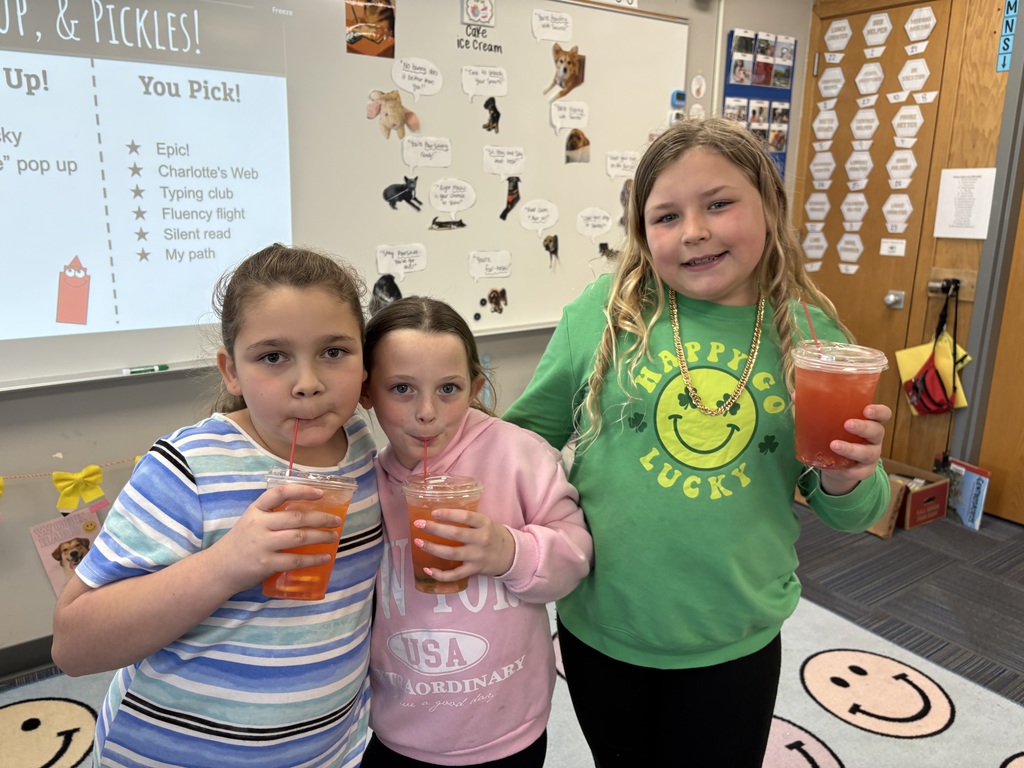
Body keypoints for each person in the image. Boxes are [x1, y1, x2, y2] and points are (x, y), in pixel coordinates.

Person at [502, 117, 892, 766]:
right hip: (604, 629)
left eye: (719, 204)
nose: (694, 231)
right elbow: (520, 445)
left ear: (768, 205)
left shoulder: (811, 333)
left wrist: (849, 476)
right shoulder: (605, 314)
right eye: (666, 216)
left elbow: (852, 512)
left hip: (733, 636)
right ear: (641, 233)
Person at [51, 244, 383, 768]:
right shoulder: (187, 468)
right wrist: (226, 565)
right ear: (231, 371)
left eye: (334, 352)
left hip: (326, 752)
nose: (308, 383)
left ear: (366, 361)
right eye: (273, 357)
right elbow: (74, 647)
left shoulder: (363, 445)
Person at [359, 297, 592, 767]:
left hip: (508, 727)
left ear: (474, 387)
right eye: (401, 388)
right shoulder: (364, 481)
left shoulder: (520, 456)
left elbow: (575, 560)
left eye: (448, 389)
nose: (427, 412)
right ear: (367, 393)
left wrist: (509, 551)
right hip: (400, 728)